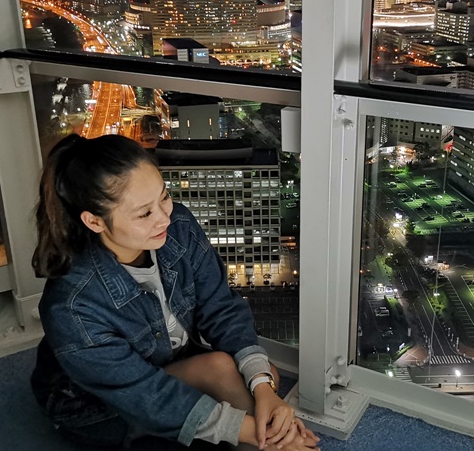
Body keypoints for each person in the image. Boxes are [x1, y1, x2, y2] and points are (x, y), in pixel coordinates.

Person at [30, 134, 319, 450]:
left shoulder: (177, 226)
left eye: (164, 197)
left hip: (166, 361)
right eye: (144, 213)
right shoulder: (72, 305)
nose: (164, 217)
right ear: (95, 221)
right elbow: (146, 396)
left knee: (263, 375)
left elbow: (220, 309)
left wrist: (264, 389)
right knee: (225, 375)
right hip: (95, 405)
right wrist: (258, 433)